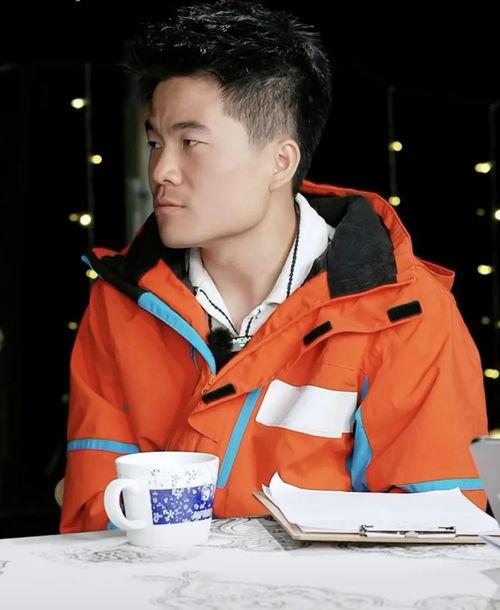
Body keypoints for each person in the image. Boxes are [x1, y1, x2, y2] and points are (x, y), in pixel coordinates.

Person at [60, 0, 488, 533]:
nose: (162, 170)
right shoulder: (120, 302)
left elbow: (439, 534)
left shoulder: (405, 312)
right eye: (155, 142)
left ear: (280, 162)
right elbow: (96, 516)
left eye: (191, 143)